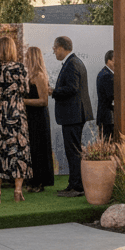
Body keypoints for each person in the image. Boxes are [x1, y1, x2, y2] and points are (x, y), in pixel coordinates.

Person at [0, 36, 32, 203]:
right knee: (19, 152)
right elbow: (26, 90)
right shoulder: (21, 68)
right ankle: (17, 191)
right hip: (16, 115)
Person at [50, 35, 93, 197]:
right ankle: (73, 184)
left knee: (73, 152)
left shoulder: (72, 63)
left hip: (73, 115)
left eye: (55, 48)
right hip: (74, 115)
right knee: (73, 151)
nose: (54, 52)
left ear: (62, 47)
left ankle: (78, 186)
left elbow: (72, 88)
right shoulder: (74, 62)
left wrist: (53, 91)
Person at [22, 46, 54, 193]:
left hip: (39, 117)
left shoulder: (39, 76)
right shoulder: (30, 76)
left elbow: (43, 101)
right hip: (30, 116)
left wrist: (24, 101)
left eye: (27, 57)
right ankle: (32, 180)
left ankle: (40, 181)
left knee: (39, 148)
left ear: (33, 58)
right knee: (32, 149)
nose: (25, 59)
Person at [95, 50, 115, 140]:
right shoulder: (106, 75)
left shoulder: (105, 73)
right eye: (115, 60)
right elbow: (110, 96)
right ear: (109, 61)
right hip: (107, 118)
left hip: (106, 117)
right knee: (108, 143)